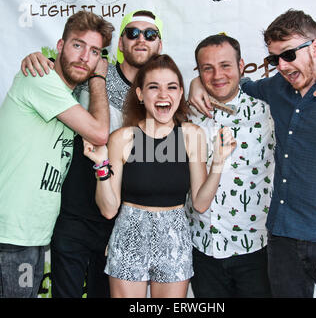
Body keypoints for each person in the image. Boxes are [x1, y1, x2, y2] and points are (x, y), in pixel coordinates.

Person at [189, 9, 316, 298]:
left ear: (315, 47)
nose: (282, 66)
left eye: (289, 55)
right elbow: (229, 83)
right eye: (274, 59)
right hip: (282, 240)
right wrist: (195, 83)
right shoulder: (275, 89)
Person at [20, 10, 163, 297]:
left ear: (160, 45)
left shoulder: (162, 91)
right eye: (132, 33)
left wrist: (198, 85)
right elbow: (61, 71)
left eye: (150, 34)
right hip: (73, 213)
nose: (141, 40)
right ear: (120, 44)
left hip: (121, 219)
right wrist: (38, 59)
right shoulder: (94, 70)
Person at [83, 54, 236, 298]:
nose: (164, 95)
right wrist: (101, 166)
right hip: (128, 235)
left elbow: (200, 203)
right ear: (141, 95)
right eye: (154, 87)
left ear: (180, 93)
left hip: (175, 239)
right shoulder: (122, 138)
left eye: (172, 87)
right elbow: (109, 210)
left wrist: (218, 162)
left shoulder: (191, 135)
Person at [0, 10, 114, 298]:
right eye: (78, 45)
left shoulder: (68, 96)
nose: (84, 57)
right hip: (11, 237)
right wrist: (99, 78)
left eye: (94, 51)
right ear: (61, 46)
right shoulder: (40, 79)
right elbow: (100, 132)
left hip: (32, 236)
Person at [185, 34, 274, 298]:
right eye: (207, 68)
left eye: (225, 65)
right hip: (203, 246)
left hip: (256, 249)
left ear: (241, 66)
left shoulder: (268, 109)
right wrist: (193, 85)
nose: (217, 75)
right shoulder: (187, 111)